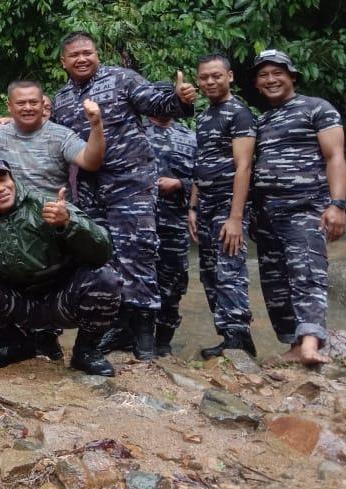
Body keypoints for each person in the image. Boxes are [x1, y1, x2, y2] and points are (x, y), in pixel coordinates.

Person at [51, 32, 196, 359]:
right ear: (63, 61)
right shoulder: (61, 99)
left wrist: (180, 98)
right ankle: (117, 326)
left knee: (139, 252)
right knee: (105, 255)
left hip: (130, 181)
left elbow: (156, 103)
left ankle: (145, 334)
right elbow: (52, 134)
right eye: (74, 55)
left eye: (87, 52)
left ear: (97, 55)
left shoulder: (121, 79)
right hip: (90, 188)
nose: (82, 59)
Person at [0, 158, 121, 376]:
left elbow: (103, 251)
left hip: (63, 297)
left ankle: (86, 351)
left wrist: (69, 223)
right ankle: (14, 343)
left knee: (106, 277)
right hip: (20, 304)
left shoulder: (47, 205)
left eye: (2, 179)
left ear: (12, 179)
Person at [250, 50, 346, 366]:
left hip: (305, 207)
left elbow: (335, 157)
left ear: (292, 76)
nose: (270, 79)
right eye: (263, 75)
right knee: (275, 281)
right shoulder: (262, 120)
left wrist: (337, 205)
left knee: (306, 272)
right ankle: (294, 345)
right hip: (266, 214)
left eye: (277, 73)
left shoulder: (317, 108)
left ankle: (310, 344)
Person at [190, 53, 257, 359]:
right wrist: (192, 207)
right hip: (205, 203)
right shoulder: (203, 116)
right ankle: (228, 335)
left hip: (229, 203)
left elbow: (244, 167)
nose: (210, 82)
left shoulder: (239, 113)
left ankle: (238, 337)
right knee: (209, 271)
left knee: (230, 267)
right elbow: (199, 164)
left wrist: (235, 217)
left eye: (216, 76)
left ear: (230, 76)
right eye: (204, 77)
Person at [0, 81, 105, 197]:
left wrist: (96, 125)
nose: (28, 107)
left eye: (33, 102)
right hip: (12, 215)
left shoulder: (61, 135)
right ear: (9, 106)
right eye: (21, 103)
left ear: (42, 105)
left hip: (56, 213)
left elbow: (91, 163)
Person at [145, 113, 196, 356]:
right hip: (137, 223)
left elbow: (204, 177)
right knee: (134, 280)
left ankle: (163, 342)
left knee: (173, 284)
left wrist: (179, 184)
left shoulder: (190, 137)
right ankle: (133, 338)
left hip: (175, 223)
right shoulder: (133, 131)